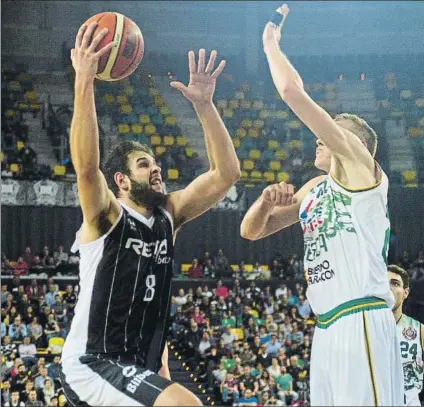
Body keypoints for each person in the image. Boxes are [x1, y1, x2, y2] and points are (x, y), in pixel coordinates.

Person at [60, 22, 240, 407]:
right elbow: (87, 168)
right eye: (145, 164)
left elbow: (226, 174)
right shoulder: (106, 217)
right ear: (121, 180)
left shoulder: (168, 216)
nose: (156, 169)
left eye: (156, 163)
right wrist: (85, 81)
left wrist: (205, 107)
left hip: (135, 367)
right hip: (95, 362)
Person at [241, 4, 403, 405]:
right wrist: (264, 203)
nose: (321, 137)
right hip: (327, 325)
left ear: (356, 145)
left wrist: (270, 47)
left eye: (333, 133)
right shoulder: (314, 187)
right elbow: (251, 231)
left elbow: (291, 92)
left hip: (362, 314)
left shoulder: (364, 170)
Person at [388, 265, 423, 406]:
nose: (388, 289)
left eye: (394, 284)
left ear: (405, 293)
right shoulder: (363, 328)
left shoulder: (418, 329)